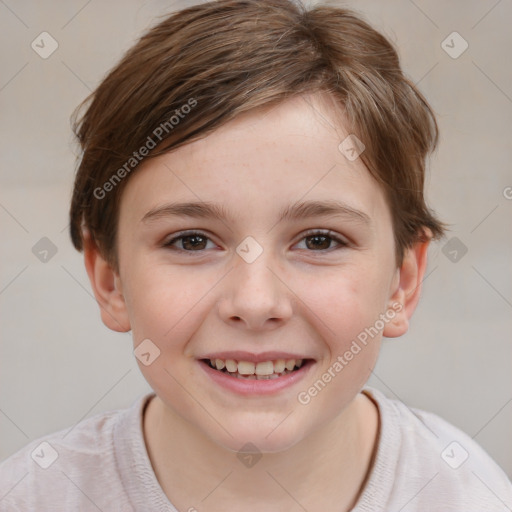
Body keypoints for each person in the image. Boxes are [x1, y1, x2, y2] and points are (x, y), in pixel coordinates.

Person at [1, 0, 511, 510]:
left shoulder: (468, 494)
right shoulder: (32, 496)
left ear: (402, 283)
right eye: (192, 241)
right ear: (110, 279)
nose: (256, 301)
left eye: (319, 240)